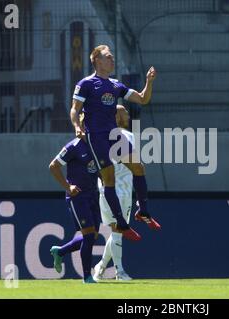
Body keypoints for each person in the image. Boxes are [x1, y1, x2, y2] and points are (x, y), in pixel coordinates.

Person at [70, 44, 161, 242]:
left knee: (138, 167)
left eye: (112, 57)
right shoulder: (86, 84)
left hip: (114, 135)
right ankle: (121, 222)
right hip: (96, 136)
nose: (112, 59)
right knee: (109, 179)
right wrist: (77, 126)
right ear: (97, 61)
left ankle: (143, 212)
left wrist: (149, 81)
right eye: (108, 56)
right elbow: (74, 109)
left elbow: (143, 99)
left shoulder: (115, 84)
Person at [48, 114, 101, 284]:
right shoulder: (73, 147)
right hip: (78, 196)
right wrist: (68, 187)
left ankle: (60, 251)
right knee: (87, 235)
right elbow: (53, 166)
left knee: (93, 236)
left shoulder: (97, 147)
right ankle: (87, 276)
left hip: (93, 195)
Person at [94, 105, 134, 281]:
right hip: (115, 189)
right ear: (116, 116)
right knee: (117, 230)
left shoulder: (127, 135)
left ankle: (101, 268)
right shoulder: (113, 136)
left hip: (120, 189)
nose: (128, 114)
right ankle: (120, 272)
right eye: (124, 111)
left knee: (116, 231)